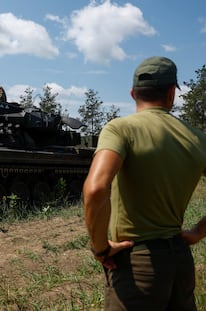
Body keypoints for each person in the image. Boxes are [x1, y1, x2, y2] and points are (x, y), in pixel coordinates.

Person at [83, 56, 206, 310]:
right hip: (180, 262)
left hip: (137, 264)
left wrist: (100, 248)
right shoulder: (197, 138)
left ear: (132, 93)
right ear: (172, 93)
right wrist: (197, 233)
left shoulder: (121, 129)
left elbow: (96, 189)